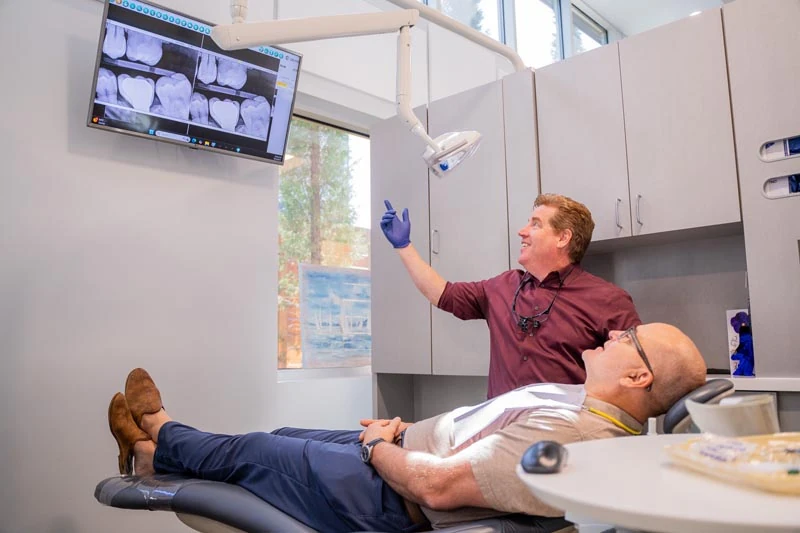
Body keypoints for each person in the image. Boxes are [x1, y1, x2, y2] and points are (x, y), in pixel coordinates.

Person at [108, 323, 706, 533]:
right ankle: (148, 454)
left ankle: (158, 428)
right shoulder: (579, 401)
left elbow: (438, 489)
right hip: (400, 447)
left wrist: (376, 448)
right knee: (286, 430)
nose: (612, 334)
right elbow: (470, 433)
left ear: (635, 374)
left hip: (386, 495)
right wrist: (402, 428)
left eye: (627, 338)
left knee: (259, 450)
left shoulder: (569, 443)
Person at [380, 193, 641, 398]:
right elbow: (442, 293)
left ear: (563, 237)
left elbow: (638, 371)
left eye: (535, 225)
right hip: (500, 433)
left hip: (565, 439)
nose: (522, 231)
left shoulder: (608, 299)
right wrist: (403, 246)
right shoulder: (503, 286)